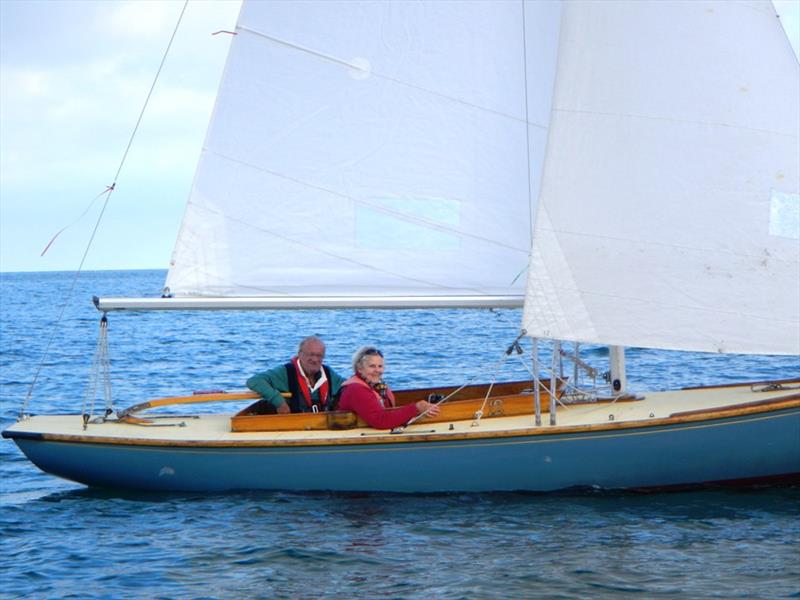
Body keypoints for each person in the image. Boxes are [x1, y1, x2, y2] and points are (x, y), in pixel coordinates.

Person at [338, 346, 441, 429]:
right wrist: (416, 408)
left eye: (380, 366)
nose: (377, 370)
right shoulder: (355, 390)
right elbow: (380, 421)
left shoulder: (376, 386)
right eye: (372, 366)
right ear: (359, 369)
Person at [246, 336, 345, 414]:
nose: (315, 360)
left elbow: (348, 386)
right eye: (310, 354)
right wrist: (279, 402)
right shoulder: (285, 372)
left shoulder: (328, 374)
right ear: (300, 354)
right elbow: (254, 381)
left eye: (319, 356)